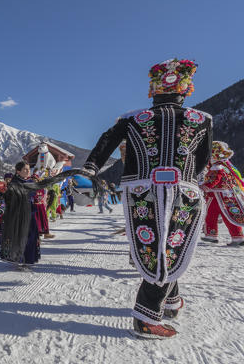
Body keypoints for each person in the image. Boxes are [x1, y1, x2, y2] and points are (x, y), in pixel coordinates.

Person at [82, 58, 212, 338]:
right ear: (185, 88)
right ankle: (146, 315)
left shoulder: (133, 117)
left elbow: (106, 141)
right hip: (182, 190)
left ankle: (171, 301)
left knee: (156, 247)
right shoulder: (200, 119)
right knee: (170, 247)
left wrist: (90, 167)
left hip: (141, 190)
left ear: (153, 90)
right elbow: (203, 161)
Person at [201, 141, 244, 246]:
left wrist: (205, 186)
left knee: (213, 215)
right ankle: (235, 236)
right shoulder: (226, 165)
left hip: (217, 195)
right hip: (225, 195)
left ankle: (212, 235)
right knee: (226, 215)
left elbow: (215, 179)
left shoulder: (217, 166)